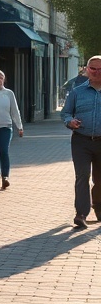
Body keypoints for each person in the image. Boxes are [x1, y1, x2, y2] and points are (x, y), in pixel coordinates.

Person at [60, 54, 101, 230]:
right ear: (87, 70)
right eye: (93, 69)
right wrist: (70, 121)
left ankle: (99, 207)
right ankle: (81, 214)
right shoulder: (77, 92)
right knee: (82, 176)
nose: (97, 72)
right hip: (81, 141)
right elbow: (65, 113)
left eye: (100, 69)